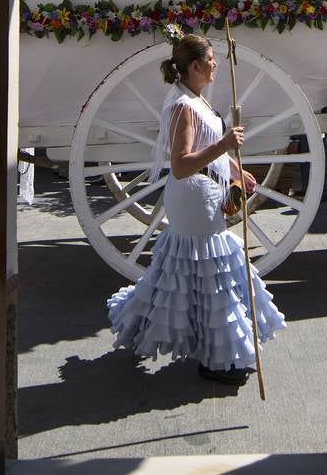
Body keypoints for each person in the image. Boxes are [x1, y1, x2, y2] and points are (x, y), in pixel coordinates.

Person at [107, 34, 286, 386]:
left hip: (205, 194)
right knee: (210, 277)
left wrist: (235, 169)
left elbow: (207, 151)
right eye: (210, 58)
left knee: (193, 275)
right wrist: (225, 143)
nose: (216, 63)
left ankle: (193, 344)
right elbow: (180, 165)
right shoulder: (182, 107)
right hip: (193, 197)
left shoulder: (195, 99)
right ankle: (214, 358)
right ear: (194, 67)